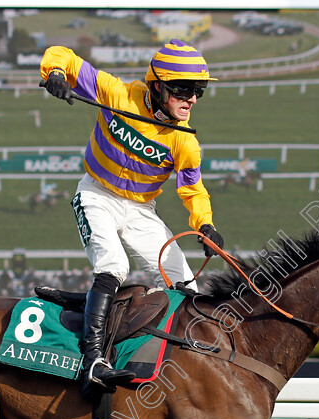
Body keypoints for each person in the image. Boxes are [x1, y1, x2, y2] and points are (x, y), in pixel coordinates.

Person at [39, 39, 225, 395]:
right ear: (157, 86)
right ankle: (94, 360)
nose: (192, 99)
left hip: (142, 210)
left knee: (187, 288)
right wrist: (56, 74)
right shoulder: (116, 93)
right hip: (96, 194)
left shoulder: (185, 141)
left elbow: (192, 190)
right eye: (183, 89)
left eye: (198, 91)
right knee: (113, 266)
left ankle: (172, 368)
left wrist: (205, 224)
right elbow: (61, 54)